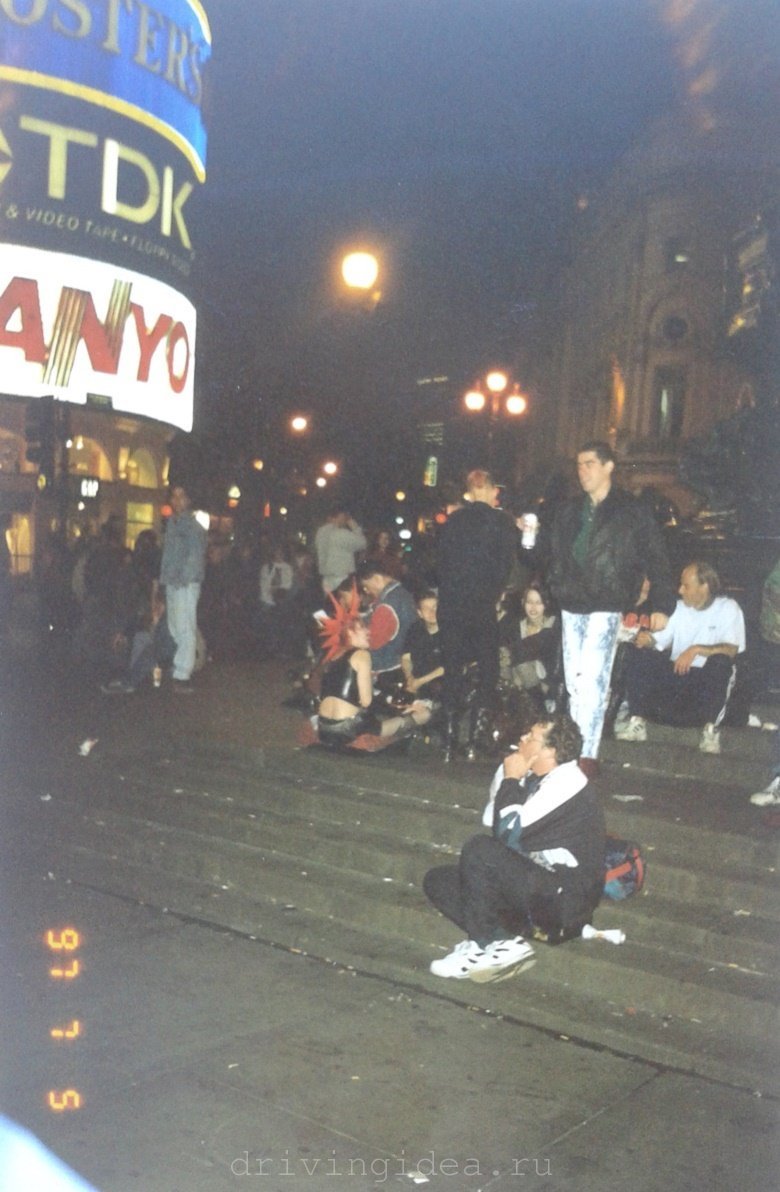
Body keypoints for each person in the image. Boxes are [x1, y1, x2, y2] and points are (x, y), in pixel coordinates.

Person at [423, 712, 606, 982]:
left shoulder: (570, 783)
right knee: (439, 880)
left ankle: (483, 942)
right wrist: (511, 776)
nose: (522, 738)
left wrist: (511, 780)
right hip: (532, 889)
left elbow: (507, 833)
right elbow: (492, 818)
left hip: (564, 903)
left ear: (550, 750)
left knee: (479, 849)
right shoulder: (534, 776)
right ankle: (500, 941)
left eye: (531, 736)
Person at [546, 440, 675, 777]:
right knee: (575, 681)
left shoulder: (630, 511)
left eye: (589, 463)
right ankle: (574, 750)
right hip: (572, 602)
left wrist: (662, 603)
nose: (582, 471)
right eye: (579, 464)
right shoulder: (570, 510)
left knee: (593, 678)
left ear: (608, 466)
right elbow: (553, 554)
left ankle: (586, 755)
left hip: (606, 602)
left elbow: (657, 557)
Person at [615, 561, 745, 754]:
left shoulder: (728, 608)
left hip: (704, 683)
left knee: (721, 662)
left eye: (686, 586)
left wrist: (695, 650)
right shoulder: (678, 607)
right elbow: (660, 642)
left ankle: (710, 730)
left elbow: (732, 649)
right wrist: (647, 639)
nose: (680, 590)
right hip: (676, 677)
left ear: (705, 586)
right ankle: (637, 721)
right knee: (641, 655)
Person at [436, 468, 518, 760]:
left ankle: (447, 739)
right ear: (493, 489)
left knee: (453, 669)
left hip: (452, 604)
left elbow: (441, 563)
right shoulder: (502, 522)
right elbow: (505, 566)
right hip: (481, 604)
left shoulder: (453, 521)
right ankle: (474, 737)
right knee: (487, 668)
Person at [316, 587, 431, 749]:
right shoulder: (362, 655)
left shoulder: (334, 656)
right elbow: (367, 701)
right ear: (350, 632)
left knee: (383, 714)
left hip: (324, 728)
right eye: (363, 628)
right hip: (346, 729)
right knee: (423, 714)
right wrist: (401, 709)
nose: (368, 632)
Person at [159, 483, 207, 692]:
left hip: (185, 583)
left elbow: (195, 557)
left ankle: (182, 673)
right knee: (175, 627)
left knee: (185, 627)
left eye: (181, 497)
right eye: (174, 497)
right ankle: (181, 667)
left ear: (188, 500)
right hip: (172, 582)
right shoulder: (172, 523)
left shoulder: (192, 526)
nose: (177, 501)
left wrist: (183, 579)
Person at [356, 560, 417, 698]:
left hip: (388, 665)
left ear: (377, 579)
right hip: (402, 657)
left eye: (366, 586)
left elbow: (373, 642)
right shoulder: (402, 593)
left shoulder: (387, 606)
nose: (367, 591)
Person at [499, 583, 560, 710]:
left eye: (538, 602)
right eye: (529, 602)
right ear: (523, 602)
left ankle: (539, 709)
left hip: (544, 684)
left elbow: (539, 644)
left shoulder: (553, 625)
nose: (533, 607)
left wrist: (509, 653)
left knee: (521, 664)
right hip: (517, 682)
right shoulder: (516, 625)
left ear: (546, 604)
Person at [401, 590, 444, 701]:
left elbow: (450, 665)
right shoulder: (415, 629)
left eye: (435, 607)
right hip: (416, 679)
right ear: (420, 613)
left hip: (440, 682)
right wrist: (409, 677)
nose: (432, 612)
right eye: (426, 609)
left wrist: (419, 682)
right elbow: (406, 658)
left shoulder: (451, 631)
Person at [314, 508, 367, 595]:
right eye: (345, 516)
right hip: (342, 578)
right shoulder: (341, 533)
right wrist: (355, 527)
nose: (346, 520)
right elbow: (362, 543)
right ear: (339, 516)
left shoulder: (320, 533)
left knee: (330, 605)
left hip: (326, 578)